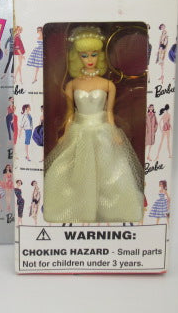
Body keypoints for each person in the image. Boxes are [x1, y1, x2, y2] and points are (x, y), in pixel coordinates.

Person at [43, 26, 144, 223]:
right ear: (76, 57)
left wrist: (114, 132)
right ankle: (74, 209)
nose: (89, 59)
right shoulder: (72, 85)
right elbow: (70, 113)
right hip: (79, 131)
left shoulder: (108, 85)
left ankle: (114, 211)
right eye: (84, 55)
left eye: (94, 54)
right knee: (74, 172)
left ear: (100, 56)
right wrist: (65, 133)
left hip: (101, 131)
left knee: (109, 172)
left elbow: (109, 112)